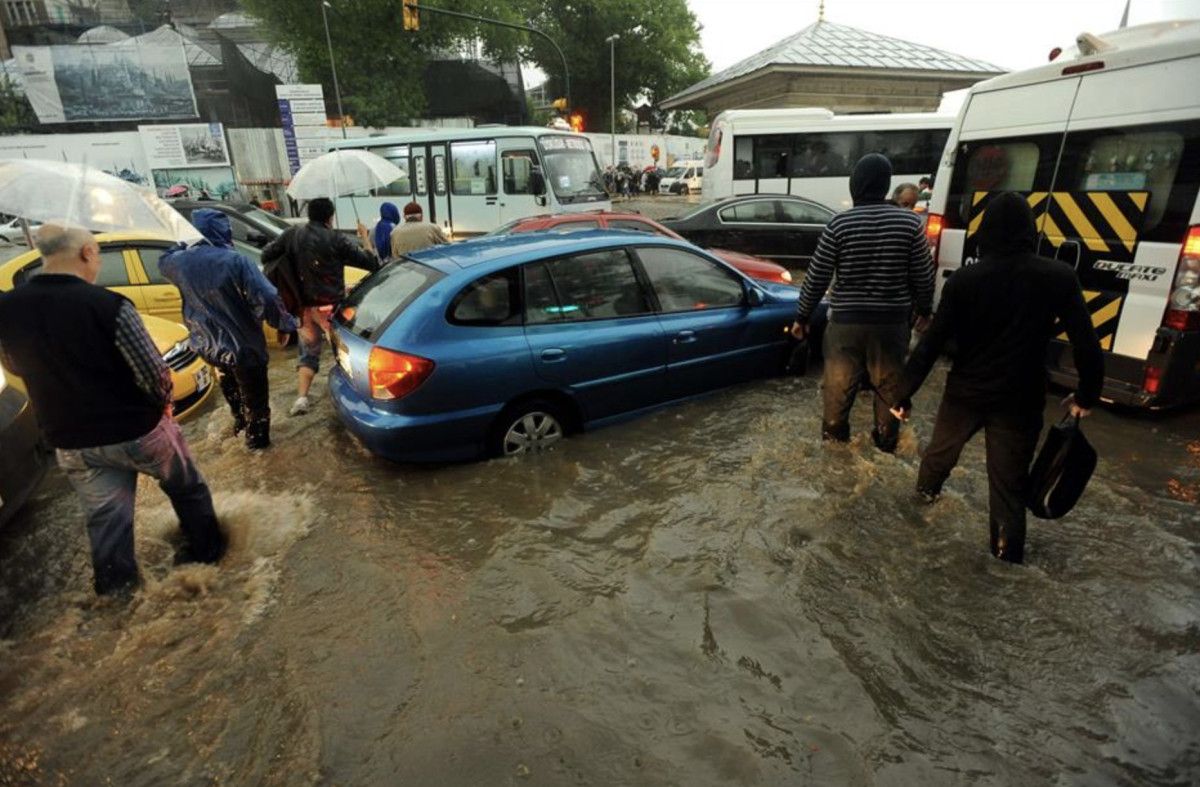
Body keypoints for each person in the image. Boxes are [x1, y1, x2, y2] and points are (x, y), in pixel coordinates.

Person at [0, 225, 225, 596]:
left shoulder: (7, 308)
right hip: (137, 429)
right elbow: (153, 372)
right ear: (87, 253)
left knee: (107, 522)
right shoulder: (108, 306)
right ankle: (208, 563)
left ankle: (117, 596)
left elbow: (15, 365)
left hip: (69, 440)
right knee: (189, 492)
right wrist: (164, 404)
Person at [890, 192, 1104, 564]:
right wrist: (1086, 396)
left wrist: (902, 394)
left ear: (985, 232)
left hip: (964, 395)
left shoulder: (964, 281)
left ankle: (912, 533)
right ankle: (1005, 563)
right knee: (1008, 494)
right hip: (1020, 401)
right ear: (1030, 231)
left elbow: (930, 344)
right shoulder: (1058, 278)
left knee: (935, 466)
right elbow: (1088, 345)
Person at [792, 153, 934, 453]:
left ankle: (835, 457)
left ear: (854, 185)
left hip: (845, 326)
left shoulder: (839, 224)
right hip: (892, 327)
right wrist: (924, 310)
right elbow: (924, 274)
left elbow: (817, 276)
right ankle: (885, 446)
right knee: (889, 394)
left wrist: (802, 317)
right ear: (885, 186)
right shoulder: (910, 224)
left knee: (836, 395)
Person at [159, 208, 299, 449]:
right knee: (257, 411)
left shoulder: (178, 262)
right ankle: (259, 458)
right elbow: (266, 295)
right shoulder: (236, 261)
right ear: (224, 231)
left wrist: (186, 241)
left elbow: (163, 259)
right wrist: (283, 324)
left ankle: (239, 433)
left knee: (237, 405)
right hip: (245, 350)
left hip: (209, 348)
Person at [261, 197, 380, 417]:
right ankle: (352, 397)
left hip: (303, 309)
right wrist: (365, 238)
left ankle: (301, 398)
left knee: (308, 353)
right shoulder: (336, 239)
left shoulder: (292, 234)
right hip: (330, 308)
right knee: (345, 352)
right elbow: (371, 264)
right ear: (330, 217)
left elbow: (266, 254)